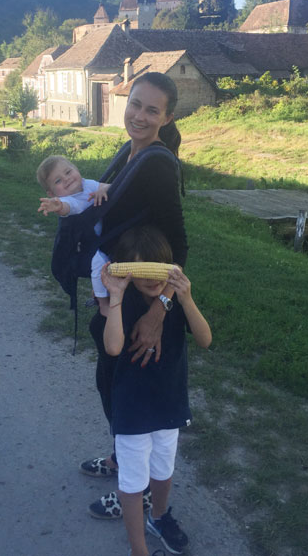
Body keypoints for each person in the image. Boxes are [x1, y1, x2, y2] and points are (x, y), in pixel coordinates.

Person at [80, 72, 189, 519]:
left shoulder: (158, 165)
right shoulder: (131, 152)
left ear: (167, 117)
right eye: (135, 104)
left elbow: (179, 246)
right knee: (111, 383)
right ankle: (121, 459)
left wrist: (159, 312)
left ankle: (139, 491)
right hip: (120, 290)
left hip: (143, 301)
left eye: (151, 110)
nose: (139, 116)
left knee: (133, 400)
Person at [101, 225, 212, 556]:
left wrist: (187, 298)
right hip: (132, 409)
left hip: (169, 403)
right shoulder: (125, 302)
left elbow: (205, 339)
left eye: (159, 269)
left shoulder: (173, 303)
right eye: (142, 270)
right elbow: (113, 347)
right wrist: (115, 296)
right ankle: (139, 549)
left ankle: (159, 516)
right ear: (129, 271)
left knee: (163, 472)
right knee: (133, 483)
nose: (153, 279)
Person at [37, 155, 111, 314]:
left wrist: (103, 189)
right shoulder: (67, 199)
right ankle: (103, 304)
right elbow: (71, 208)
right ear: (51, 193)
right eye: (58, 181)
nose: (66, 179)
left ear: (76, 169)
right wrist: (58, 207)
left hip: (105, 235)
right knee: (100, 262)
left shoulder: (88, 184)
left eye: (68, 172)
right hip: (87, 245)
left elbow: (111, 186)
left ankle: (102, 290)